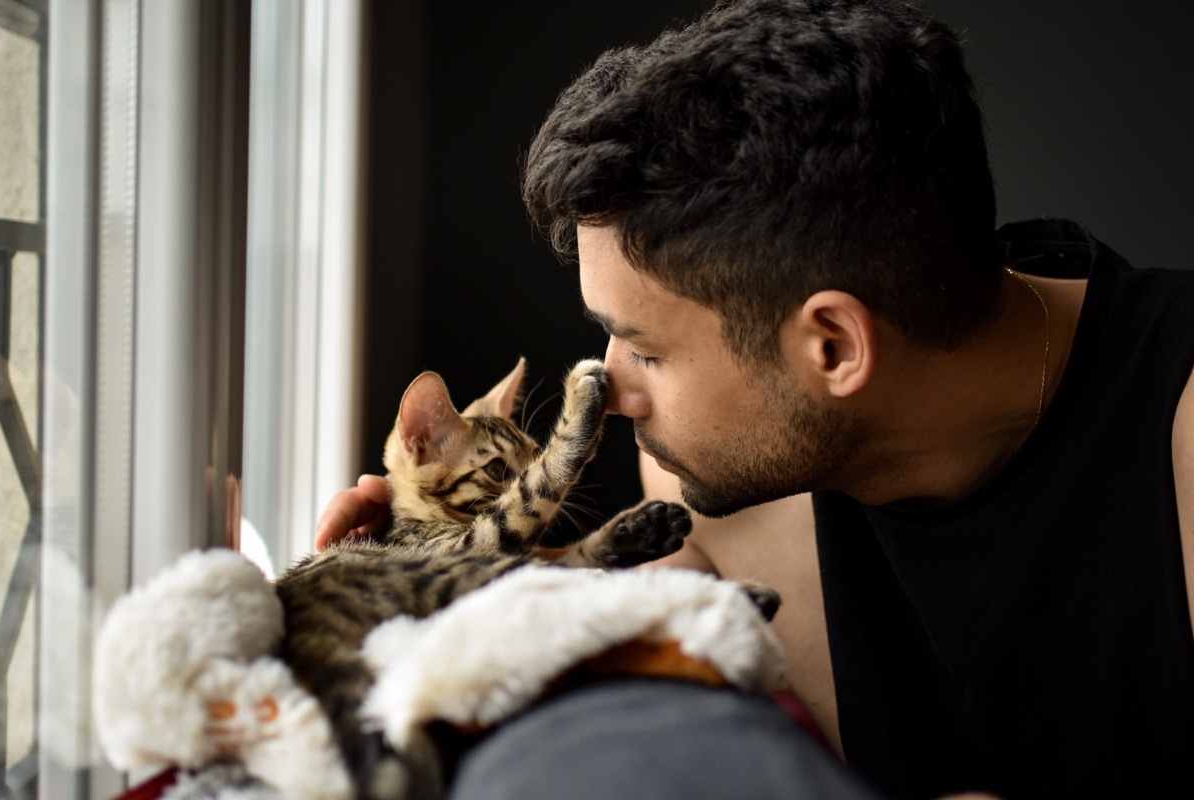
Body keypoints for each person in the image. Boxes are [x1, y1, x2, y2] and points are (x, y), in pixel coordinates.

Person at [318, 0, 1194, 797]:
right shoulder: (702, 486)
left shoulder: (1180, 440)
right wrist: (414, 594)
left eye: (647, 350)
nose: (611, 390)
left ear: (833, 346)